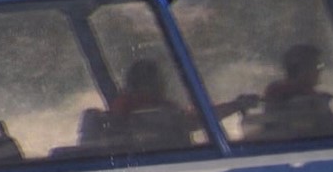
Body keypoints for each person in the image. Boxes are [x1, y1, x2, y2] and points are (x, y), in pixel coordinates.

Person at [107, 59, 257, 148]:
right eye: (159, 80)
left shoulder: (117, 109)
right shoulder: (158, 110)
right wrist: (237, 105)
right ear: (153, 83)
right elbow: (196, 120)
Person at [259, 44, 333, 139]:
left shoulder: (275, 92)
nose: (320, 70)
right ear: (302, 69)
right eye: (318, 65)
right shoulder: (310, 100)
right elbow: (330, 130)